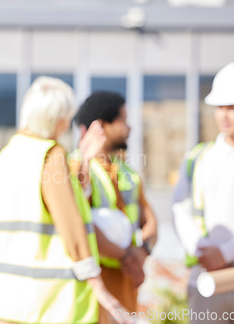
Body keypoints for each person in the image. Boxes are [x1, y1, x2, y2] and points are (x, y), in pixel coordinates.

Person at [0, 77, 133, 324]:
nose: (68, 123)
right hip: (53, 304)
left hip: (12, 299)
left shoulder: (7, 155)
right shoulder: (51, 154)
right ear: (57, 118)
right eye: (67, 116)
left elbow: (44, 204)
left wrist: (85, 161)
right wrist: (99, 288)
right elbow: (72, 227)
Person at [71, 91, 157, 323]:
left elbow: (150, 222)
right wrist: (128, 256)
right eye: (123, 120)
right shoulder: (74, 167)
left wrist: (142, 252)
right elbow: (79, 225)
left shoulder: (127, 172)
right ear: (101, 126)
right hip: (94, 292)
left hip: (126, 288)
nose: (129, 128)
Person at [172, 61, 234, 323]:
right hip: (205, 282)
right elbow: (180, 210)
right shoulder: (198, 157)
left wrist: (226, 253)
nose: (224, 115)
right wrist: (202, 250)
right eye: (220, 107)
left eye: (233, 107)